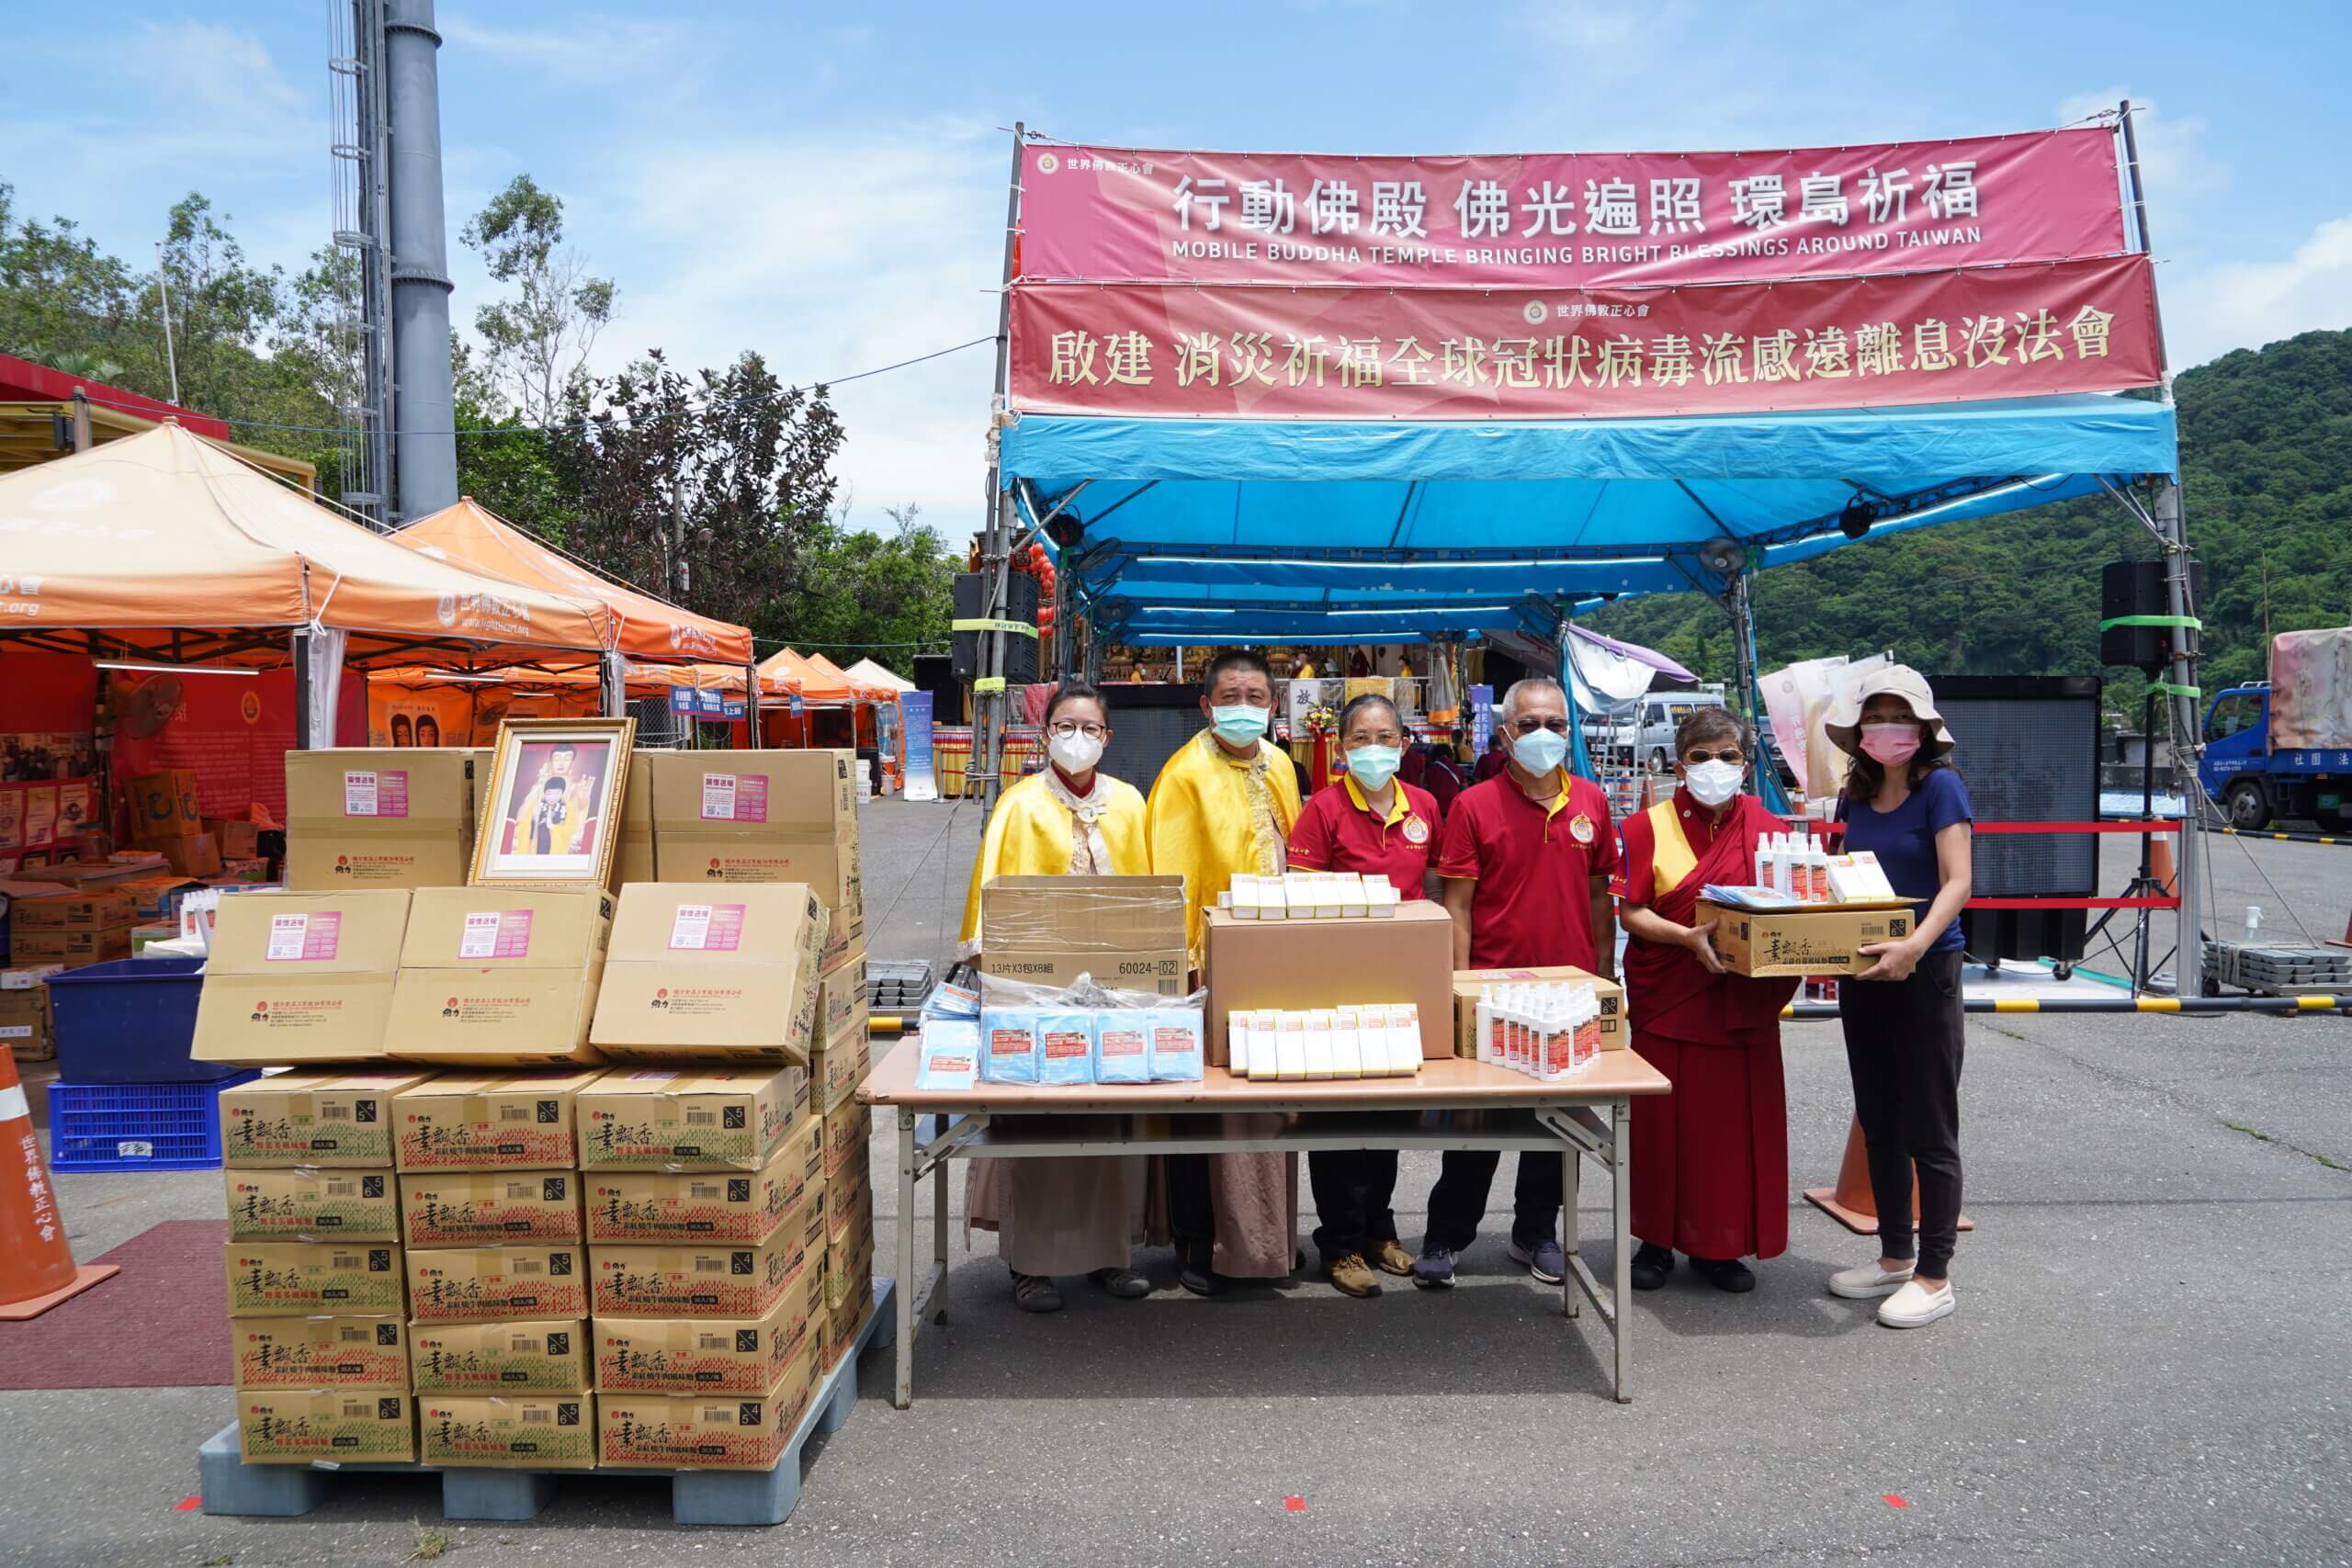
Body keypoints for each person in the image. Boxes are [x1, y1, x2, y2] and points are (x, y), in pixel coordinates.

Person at [957, 682, 1157, 1312]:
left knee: (1108, 1127)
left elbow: (1149, 897)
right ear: (1045, 734)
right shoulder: (1017, 805)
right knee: (1037, 1124)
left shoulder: (1129, 804)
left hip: (1111, 995)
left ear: (1107, 736)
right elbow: (992, 907)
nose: (1077, 736)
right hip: (1036, 995)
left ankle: (1109, 1254)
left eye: (1089, 726)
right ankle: (1029, 1261)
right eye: (1064, 725)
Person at [1413, 677, 1618, 1289]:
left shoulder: (1591, 801)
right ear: (1505, 734)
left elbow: (1600, 894)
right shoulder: (1474, 805)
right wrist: (1458, 987)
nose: (1545, 735)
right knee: (1476, 1126)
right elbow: (1458, 906)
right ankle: (1447, 1234)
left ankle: (1538, 1230)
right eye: (1529, 724)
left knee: (1561, 1124)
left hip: (1573, 993)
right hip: (1494, 991)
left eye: (1556, 723)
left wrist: (1606, 977)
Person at [1612, 708, 1801, 1294]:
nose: (1714, 767)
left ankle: (1721, 1245)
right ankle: (1656, 1240)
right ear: (1678, 763)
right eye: (1700, 756)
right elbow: (1632, 912)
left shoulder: (1771, 828)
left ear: (1745, 764)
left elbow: (1792, 909)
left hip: (1741, 1003)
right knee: (1660, 1129)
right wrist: (1687, 939)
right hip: (1671, 996)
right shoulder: (1647, 827)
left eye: (1727, 755)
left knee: (1729, 1132)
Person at [1146, 647, 1304, 1296]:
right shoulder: (1182, 775)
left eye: (1257, 697)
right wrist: (1180, 971)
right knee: (1199, 1109)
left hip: (1278, 961)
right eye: (1230, 697)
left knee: (1271, 1106)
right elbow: (1169, 875)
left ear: (1272, 705)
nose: (1245, 708)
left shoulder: (1285, 766)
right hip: (1204, 966)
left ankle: (1264, 1239)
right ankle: (1195, 1239)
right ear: (1206, 705)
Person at [1822, 666, 1973, 1330]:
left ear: (1923, 729)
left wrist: (1914, 945)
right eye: (1876, 717)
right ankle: (1892, 1255)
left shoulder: (1942, 787)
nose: (1888, 728)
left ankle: (1935, 1274)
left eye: (1900, 716)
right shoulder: (1851, 796)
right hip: (1865, 971)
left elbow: (1957, 881)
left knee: (1929, 1124)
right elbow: (1839, 877)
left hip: (1926, 968)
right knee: (1877, 1116)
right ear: (1860, 733)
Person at [1283, 694, 1439, 1299]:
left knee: (1388, 1114)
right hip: (1335, 983)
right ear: (1342, 749)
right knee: (1340, 1118)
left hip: (1401, 985)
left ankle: (1380, 1229)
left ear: (1403, 744)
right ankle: (1340, 1242)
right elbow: (1301, 902)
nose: (1374, 748)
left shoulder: (1423, 805)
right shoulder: (1322, 810)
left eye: (1386, 737)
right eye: (1361, 739)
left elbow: (1431, 892)